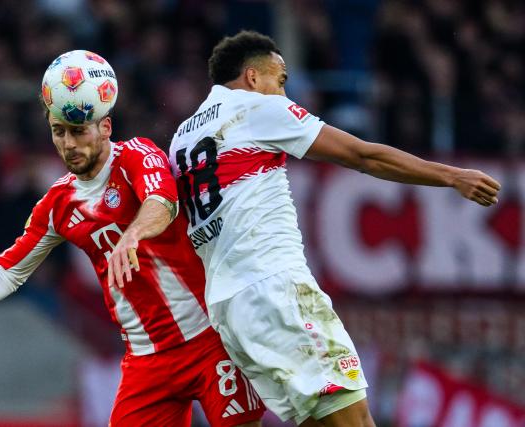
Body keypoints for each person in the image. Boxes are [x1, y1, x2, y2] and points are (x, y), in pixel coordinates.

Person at [167, 31, 501, 427]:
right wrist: (451, 176)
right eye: (281, 80)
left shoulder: (181, 138)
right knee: (355, 420)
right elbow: (363, 155)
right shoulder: (257, 109)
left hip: (229, 309)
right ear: (253, 77)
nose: (285, 94)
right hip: (275, 288)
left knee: (321, 422)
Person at [0, 51, 264, 427]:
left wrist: (132, 235)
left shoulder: (137, 156)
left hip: (209, 338)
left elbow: (163, 202)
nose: (68, 144)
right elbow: (8, 271)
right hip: (148, 361)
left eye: (78, 130)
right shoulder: (57, 204)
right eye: (58, 131)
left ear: (105, 128)